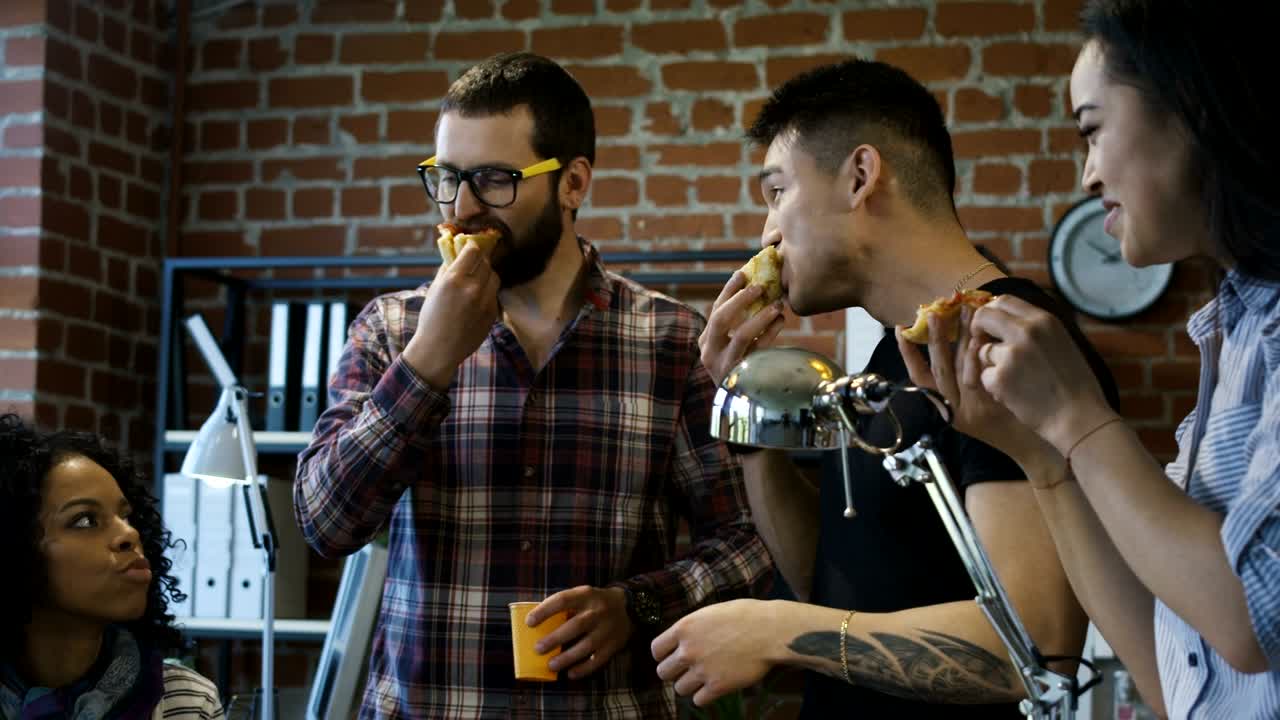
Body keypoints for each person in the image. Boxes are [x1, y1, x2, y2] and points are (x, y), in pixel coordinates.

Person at [293, 52, 772, 720]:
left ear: (573, 183)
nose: (460, 208)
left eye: (492, 179)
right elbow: (325, 522)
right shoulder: (392, 329)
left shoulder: (668, 340)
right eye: (446, 178)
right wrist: (430, 360)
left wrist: (636, 604)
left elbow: (748, 543)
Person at [651, 59, 1118, 717]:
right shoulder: (895, 354)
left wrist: (776, 631)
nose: (768, 233)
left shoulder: (1003, 346)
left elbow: (1031, 649)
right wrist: (753, 423)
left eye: (777, 191)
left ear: (861, 177)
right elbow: (829, 583)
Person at [913, 1, 1280, 717]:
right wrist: (1039, 450)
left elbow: (1248, 621)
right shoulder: (1232, 333)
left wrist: (1078, 415)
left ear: (1195, 109)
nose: (1085, 176)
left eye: (1092, 130)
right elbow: (1170, 668)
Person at [0, 413, 223, 720]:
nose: (129, 534)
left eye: (126, 516)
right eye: (85, 520)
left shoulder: (185, 703)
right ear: (15, 547)